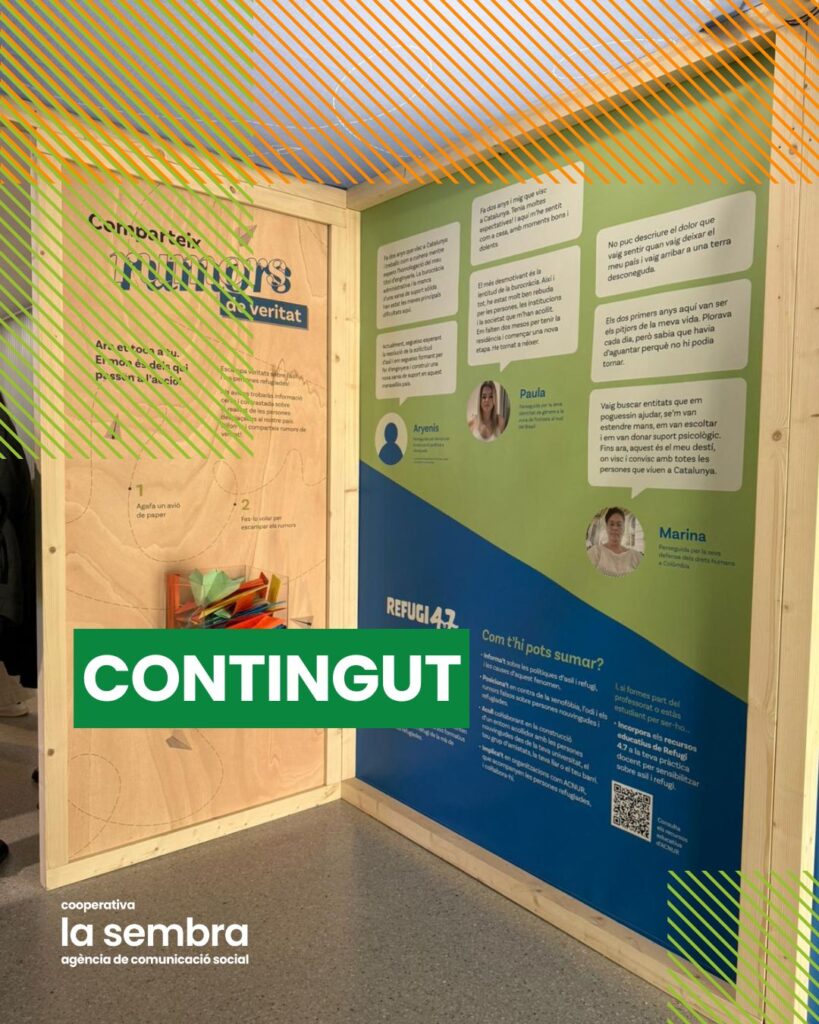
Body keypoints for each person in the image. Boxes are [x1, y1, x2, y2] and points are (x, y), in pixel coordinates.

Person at [587, 507, 643, 577]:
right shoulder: (595, 552)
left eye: (619, 525)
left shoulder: (636, 557)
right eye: (611, 524)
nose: (615, 528)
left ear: (624, 528)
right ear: (606, 527)